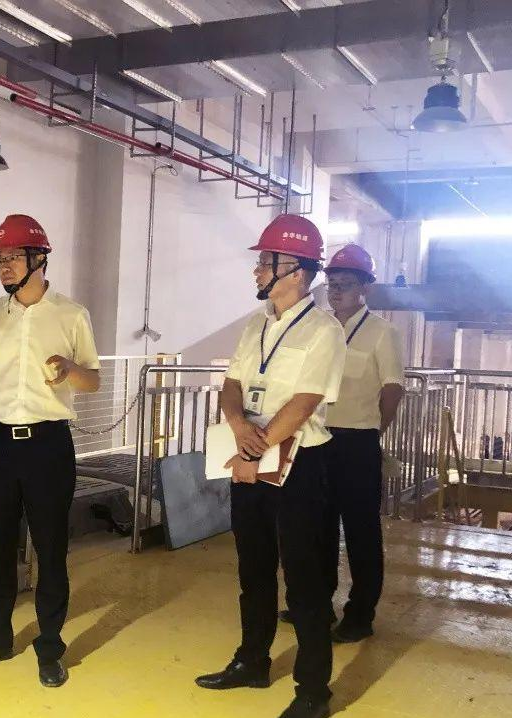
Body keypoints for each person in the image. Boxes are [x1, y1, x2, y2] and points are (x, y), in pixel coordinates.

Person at [195, 214, 346, 718]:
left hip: (300, 463)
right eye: (260, 261)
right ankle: (252, 662)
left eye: (267, 261)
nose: (257, 270)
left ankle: (313, 692)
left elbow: (304, 402)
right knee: (253, 569)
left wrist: (251, 450)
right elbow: (233, 384)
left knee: (304, 580)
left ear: (297, 271)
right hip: (251, 455)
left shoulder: (324, 330)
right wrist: (239, 426)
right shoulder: (255, 325)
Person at [0, 214, 100, 688]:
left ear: (39, 259)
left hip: (48, 444)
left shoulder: (71, 314)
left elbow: (93, 380)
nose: (4, 267)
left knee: (51, 549)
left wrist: (70, 368)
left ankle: (49, 648)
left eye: (13, 257)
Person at [316, 244, 403, 642]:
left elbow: (392, 389)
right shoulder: (320, 328)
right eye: (332, 284)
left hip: (358, 442)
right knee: (317, 527)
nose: (336, 291)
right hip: (317, 439)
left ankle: (360, 615)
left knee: (361, 532)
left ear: (365, 287)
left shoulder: (382, 332)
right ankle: (317, 603)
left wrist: (373, 432)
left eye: (345, 284)